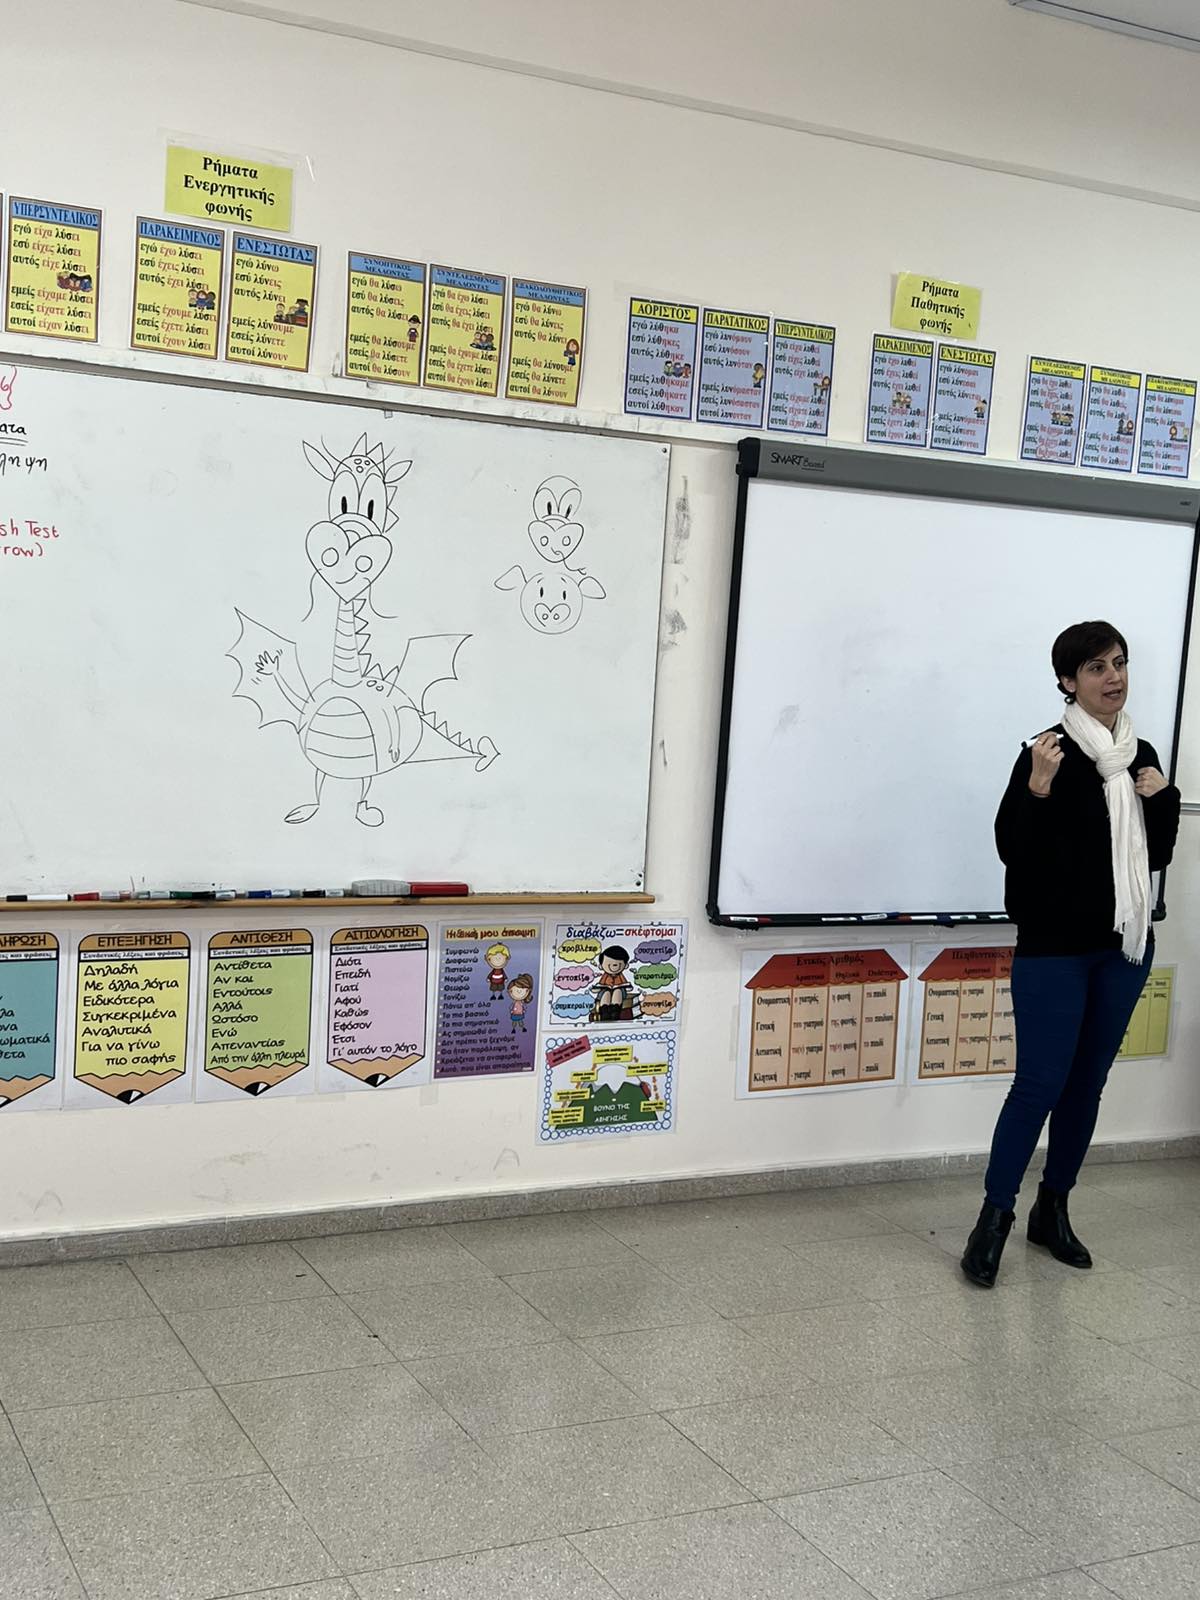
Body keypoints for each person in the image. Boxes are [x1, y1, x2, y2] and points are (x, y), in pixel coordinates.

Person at [961, 621, 1180, 1287]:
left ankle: (1052, 1210)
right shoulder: (1046, 752)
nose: (1114, 677)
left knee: (1087, 1085)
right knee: (1038, 1085)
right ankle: (994, 1218)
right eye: (1096, 668)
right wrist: (1036, 788)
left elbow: (1156, 855)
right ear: (1067, 681)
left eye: (1119, 663)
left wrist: (1163, 799)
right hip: (1054, 949)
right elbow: (1013, 850)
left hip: (1123, 948)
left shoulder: (1138, 754)